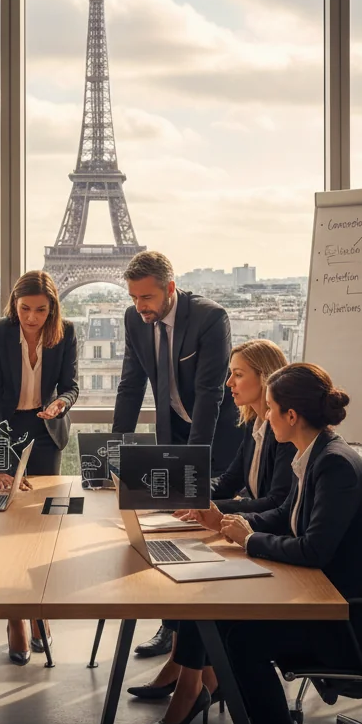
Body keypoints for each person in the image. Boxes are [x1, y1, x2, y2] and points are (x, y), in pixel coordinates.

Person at [147, 363, 362, 724]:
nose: (264, 417)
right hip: (337, 600)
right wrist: (227, 522)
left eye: (270, 409)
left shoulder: (335, 466)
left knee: (243, 641)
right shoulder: (313, 453)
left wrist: (250, 541)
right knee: (235, 632)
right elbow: (285, 517)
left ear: (292, 415)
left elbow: (313, 549)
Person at [127, 339, 296, 700]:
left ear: (264, 378)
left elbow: (277, 502)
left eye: (237, 375)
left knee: (195, 582)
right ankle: (191, 673)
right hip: (250, 531)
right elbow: (230, 482)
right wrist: (183, 492)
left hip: (272, 544)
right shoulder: (254, 427)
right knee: (184, 572)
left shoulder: (283, 433)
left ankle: (190, 681)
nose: (228, 384)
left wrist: (216, 513)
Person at [112, 250, 241, 659]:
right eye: (133, 298)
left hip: (216, 435)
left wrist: (194, 466)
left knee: (204, 533)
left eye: (146, 298)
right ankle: (173, 630)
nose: (139, 306)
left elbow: (210, 394)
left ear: (170, 288)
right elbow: (131, 386)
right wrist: (114, 450)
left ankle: (210, 642)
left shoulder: (209, 317)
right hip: (172, 429)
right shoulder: (135, 319)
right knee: (170, 532)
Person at [0, 270, 78, 664]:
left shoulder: (65, 332)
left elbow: (71, 384)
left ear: (51, 308)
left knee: (44, 527)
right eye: (24, 309)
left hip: (45, 426)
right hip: (4, 425)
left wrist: (61, 404)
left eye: (39, 310)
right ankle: (15, 618)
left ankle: (40, 610)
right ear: (13, 305)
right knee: (5, 528)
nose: (31, 318)